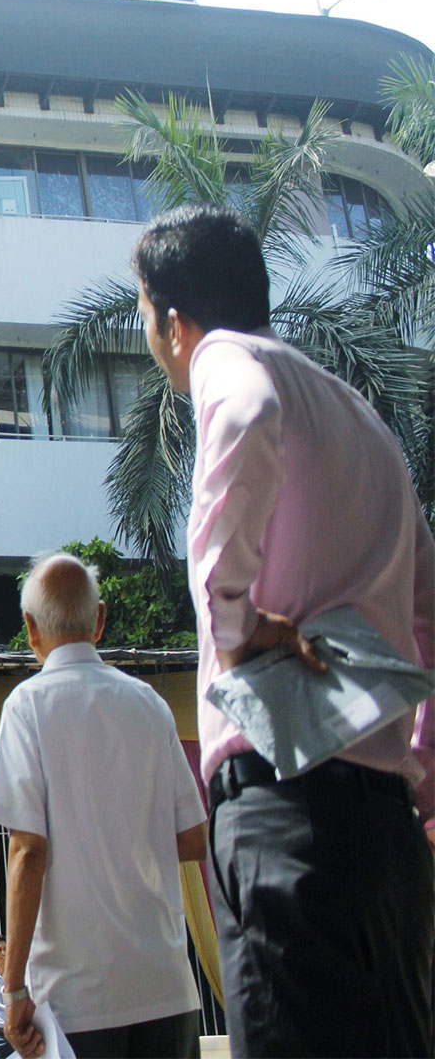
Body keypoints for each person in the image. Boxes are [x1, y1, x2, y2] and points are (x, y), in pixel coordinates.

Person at [132, 203, 435, 1057]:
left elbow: (246, 405)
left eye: (143, 313)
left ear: (174, 320)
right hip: (388, 838)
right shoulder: (365, 424)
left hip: (283, 807)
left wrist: (230, 616)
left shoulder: (229, 364)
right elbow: (428, 615)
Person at [0, 552, 206, 1059]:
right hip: (166, 989)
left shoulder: (26, 707)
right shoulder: (150, 704)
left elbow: (27, 852)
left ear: (30, 628)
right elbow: (195, 838)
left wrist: (15, 988)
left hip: (75, 1003)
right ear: (101, 619)